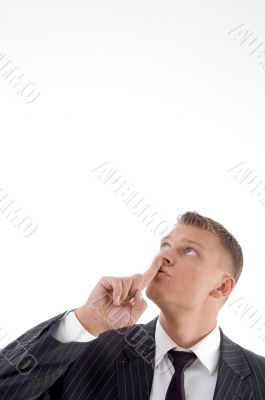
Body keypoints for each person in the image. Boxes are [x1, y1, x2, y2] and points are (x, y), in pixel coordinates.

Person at [0, 210, 264, 399]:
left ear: (222, 286)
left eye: (189, 250)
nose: (164, 256)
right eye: (166, 245)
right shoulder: (87, 351)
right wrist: (86, 321)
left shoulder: (260, 378)